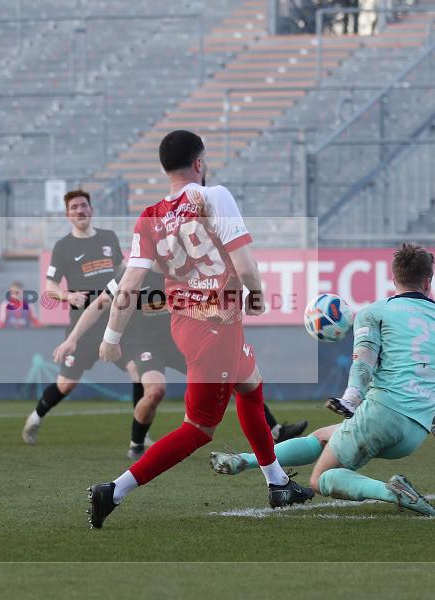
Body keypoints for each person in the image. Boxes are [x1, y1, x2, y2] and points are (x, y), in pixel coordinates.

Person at [86, 130, 315, 528]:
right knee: (198, 429)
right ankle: (114, 490)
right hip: (215, 325)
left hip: (188, 322)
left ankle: (278, 483)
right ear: (200, 163)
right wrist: (256, 296)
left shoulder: (150, 217)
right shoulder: (214, 197)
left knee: (251, 385)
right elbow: (244, 267)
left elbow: (129, 286)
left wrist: (111, 337)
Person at [210, 243, 435, 516]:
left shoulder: (375, 312)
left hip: (383, 415)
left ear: (393, 278)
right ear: (428, 281)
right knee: (322, 437)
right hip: (415, 430)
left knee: (321, 478)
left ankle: (392, 492)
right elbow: (426, 371)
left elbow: (363, 364)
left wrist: (351, 398)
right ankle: (245, 461)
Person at [55, 267, 309, 461]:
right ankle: (137, 442)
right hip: (145, 345)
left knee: (230, 375)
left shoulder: (182, 272)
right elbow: (97, 306)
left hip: (179, 340)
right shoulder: (132, 274)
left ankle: (275, 430)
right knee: (155, 390)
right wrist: (72, 340)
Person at [21, 189, 135, 444]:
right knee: (66, 385)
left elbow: (120, 271)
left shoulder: (109, 238)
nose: (80, 210)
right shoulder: (63, 246)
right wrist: (66, 296)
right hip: (82, 329)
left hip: (115, 322)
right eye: (74, 207)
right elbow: (49, 286)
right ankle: (36, 417)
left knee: (138, 370)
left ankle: (139, 437)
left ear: (91, 209)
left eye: (84, 205)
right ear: (67, 214)